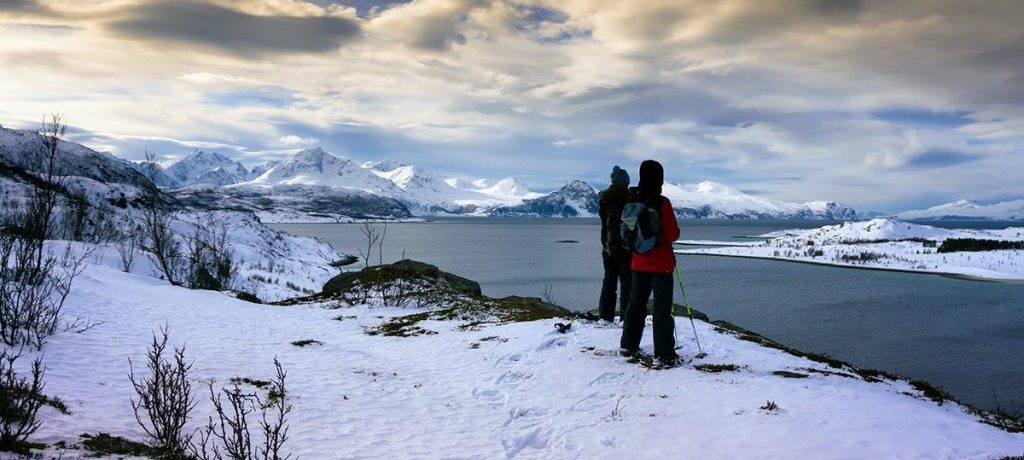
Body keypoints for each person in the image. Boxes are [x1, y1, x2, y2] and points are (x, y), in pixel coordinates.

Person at [619, 159, 681, 366]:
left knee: (635, 305)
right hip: (661, 264)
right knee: (662, 310)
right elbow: (672, 234)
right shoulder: (662, 202)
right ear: (659, 179)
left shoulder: (633, 200)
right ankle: (663, 354)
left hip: (638, 262)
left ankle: (628, 346)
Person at [597, 166, 632, 323]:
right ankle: (626, 316)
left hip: (608, 246)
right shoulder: (631, 199)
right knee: (627, 283)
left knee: (609, 282)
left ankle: (605, 316)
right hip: (627, 247)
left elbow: (604, 220)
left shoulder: (605, 199)